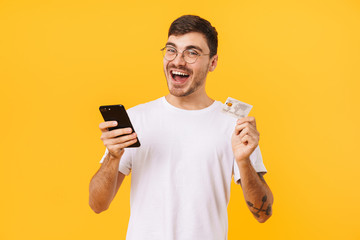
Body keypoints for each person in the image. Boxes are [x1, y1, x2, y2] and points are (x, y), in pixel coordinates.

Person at [89, 15, 274, 240]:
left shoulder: (234, 126)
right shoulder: (137, 119)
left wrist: (244, 161)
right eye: (171, 50)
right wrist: (112, 156)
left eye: (192, 52)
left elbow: (263, 214)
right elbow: (97, 204)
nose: (178, 61)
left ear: (213, 62)